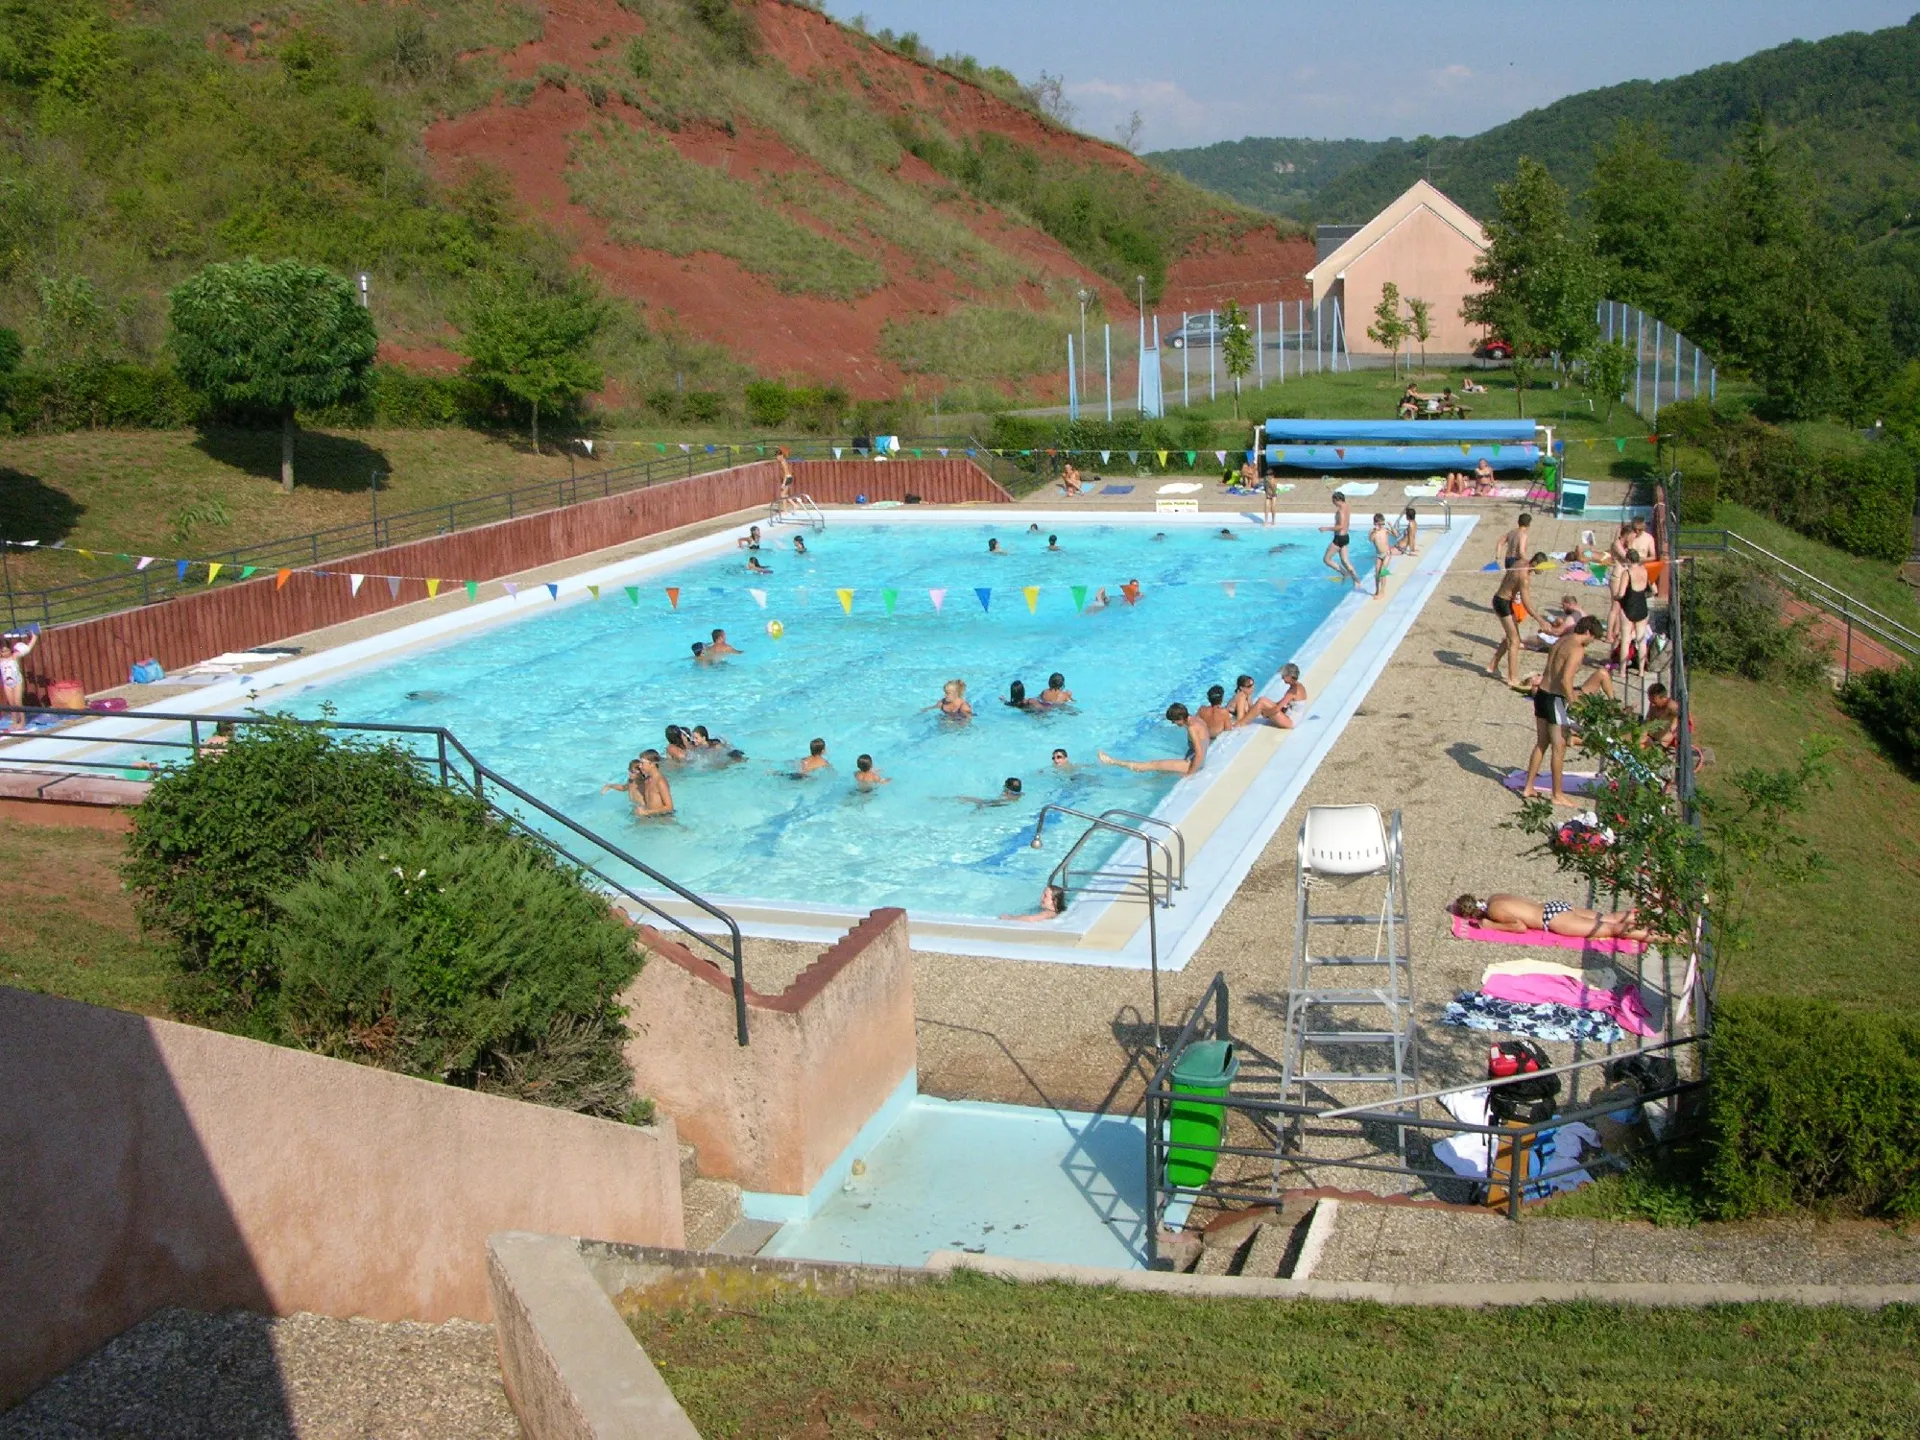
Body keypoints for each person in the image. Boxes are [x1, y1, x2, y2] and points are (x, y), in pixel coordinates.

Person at [1520, 615, 1606, 807]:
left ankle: (1529, 786)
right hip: (1554, 699)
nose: (1592, 643)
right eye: (1593, 638)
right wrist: (1573, 703)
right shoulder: (1577, 649)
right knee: (1559, 749)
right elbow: (1566, 680)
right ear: (1588, 632)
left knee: (1541, 743)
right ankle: (1557, 794)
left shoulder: (1562, 640)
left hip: (1541, 694)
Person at [1450, 893, 1652, 942]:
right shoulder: (1495, 898)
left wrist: (1492, 926)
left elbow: (1519, 927)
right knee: (1609, 917)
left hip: (1551, 918)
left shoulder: (1495, 912)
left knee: (1612, 929)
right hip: (1553, 906)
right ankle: (1659, 920)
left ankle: (1667, 937)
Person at [1488, 553, 1549, 686]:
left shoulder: (1520, 562)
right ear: (1535, 564)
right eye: (1542, 568)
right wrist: (1541, 620)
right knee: (1515, 641)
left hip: (1500, 599)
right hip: (1503, 603)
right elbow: (1527, 604)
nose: (1542, 571)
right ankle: (1512, 678)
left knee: (1510, 636)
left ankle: (1493, 665)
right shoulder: (1524, 578)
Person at [1100, 703, 1209, 776]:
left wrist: (1190, 773)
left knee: (1153, 764)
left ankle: (1112, 761)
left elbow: (1199, 753)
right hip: (1194, 756)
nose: (1173, 723)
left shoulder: (1192, 728)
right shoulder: (1196, 719)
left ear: (1180, 718)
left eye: (1174, 721)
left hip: (1194, 762)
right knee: (1161, 770)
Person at [1613, 557, 1654, 669]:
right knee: (1641, 641)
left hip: (1629, 607)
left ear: (1629, 560)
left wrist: (1616, 597)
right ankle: (1641, 671)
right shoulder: (1646, 571)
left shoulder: (1627, 573)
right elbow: (1654, 590)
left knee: (1626, 640)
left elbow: (1621, 593)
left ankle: (1622, 671)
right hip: (1642, 607)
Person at [1253, 663, 1307, 729]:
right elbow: (1280, 703)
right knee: (1262, 700)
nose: (1282, 678)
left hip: (1291, 721)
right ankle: (1245, 718)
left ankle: (1242, 722)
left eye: (1284, 676)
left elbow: (1277, 709)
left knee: (1262, 702)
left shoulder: (1292, 691)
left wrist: (1265, 714)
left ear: (1289, 676)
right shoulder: (1299, 686)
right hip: (1292, 717)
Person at [1321, 491, 1357, 585]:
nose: (1333, 503)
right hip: (1346, 537)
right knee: (1345, 561)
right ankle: (1356, 581)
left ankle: (1344, 573)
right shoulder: (1347, 506)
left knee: (1327, 559)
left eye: (1333, 501)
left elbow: (1340, 526)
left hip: (1339, 538)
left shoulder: (1340, 511)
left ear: (1338, 500)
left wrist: (1326, 528)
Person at [1, 629, 36, 723]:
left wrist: (34, 637)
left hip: (17, 682)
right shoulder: (0, 660)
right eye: (3, 652)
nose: (5, 653)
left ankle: (22, 722)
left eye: (7, 651)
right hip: (7, 684)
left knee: (18, 703)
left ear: (10, 649)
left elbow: (28, 649)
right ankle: (15, 722)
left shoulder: (14, 656)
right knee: (12, 704)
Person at [1002, 884, 1069, 922]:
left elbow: (1031, 919)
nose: (1041, 897)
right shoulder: (1056, 911)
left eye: (1045, 896)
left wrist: (1010, 918)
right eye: (1043, 894)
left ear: (1055, 901)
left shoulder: (1049, 913)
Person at [1368, 513, 1392, 599]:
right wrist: (1375, 531)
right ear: (1375, 523)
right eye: (1380, 524)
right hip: (1379, 555)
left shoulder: (1385, 530)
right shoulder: (1372, 531)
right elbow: (1370, 540)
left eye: (1383, 524)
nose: (1381, 525)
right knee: (1377, 573)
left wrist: (1391, 527)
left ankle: (1382, 592)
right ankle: (1377, 590)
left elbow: (1396, 534)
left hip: (1387, 554)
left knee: (1382, 572)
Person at [959, 777, 1024, 807]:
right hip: (1004, 803)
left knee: (979, 801)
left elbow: (998, 801)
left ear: (1007, 789)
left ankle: (960, 798)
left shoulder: (1007, 795)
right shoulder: (1021, 795)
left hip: (999, 803)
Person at [776, 446, 795, 512]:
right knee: (785, 494)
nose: (777, 458)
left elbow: (786, 474)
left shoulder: (783, 462)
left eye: (777, 456)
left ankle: (785, 510)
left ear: (781, 456)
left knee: (783, 495)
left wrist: (784, 483)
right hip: (788, 478)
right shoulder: (783, 462)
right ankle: (794, 505)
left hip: (788, 478)